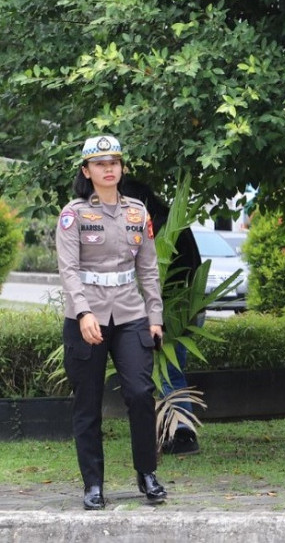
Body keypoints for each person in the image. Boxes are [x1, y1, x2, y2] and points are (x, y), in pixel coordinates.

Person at [56, 135, 168, 510]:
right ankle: (93, 484)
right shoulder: (73, 213)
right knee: (88, 403)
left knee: (139, 393)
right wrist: (84, 312)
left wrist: (155, 316)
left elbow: (148, 269)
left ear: (121, 169)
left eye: (114, 163)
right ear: (87, 171)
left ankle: (147, 474)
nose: (109, 169)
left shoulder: (138, 212)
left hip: (130, 313)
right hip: (86, 317)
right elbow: (69, 270)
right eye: (100, 164)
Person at [120, 177, 202, 455]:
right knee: (169, 372)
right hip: (187, 308)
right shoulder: (168, 221)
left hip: (173, 311)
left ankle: (182, 434)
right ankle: (173, 430)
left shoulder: (157, 226)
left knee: (169, 373)